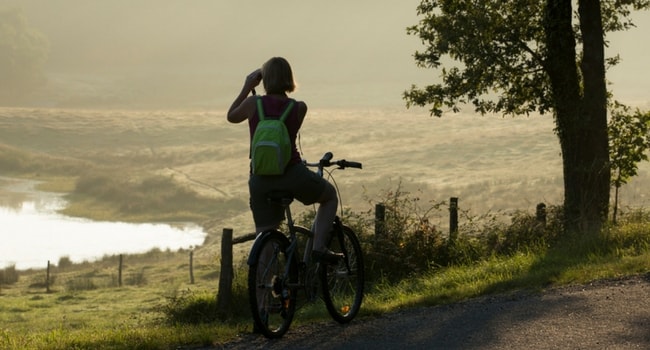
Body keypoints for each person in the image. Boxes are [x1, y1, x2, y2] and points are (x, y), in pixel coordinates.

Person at [227, 57, 342, 264]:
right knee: (330, 196)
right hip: (291, 173)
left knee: (264, 239)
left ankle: (262, 293)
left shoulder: (253, 103)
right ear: (289, 78)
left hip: (259, 179)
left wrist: (247, 86)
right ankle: (318, 248)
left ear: (264, 79)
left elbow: (231, 116)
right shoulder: (299, 108)